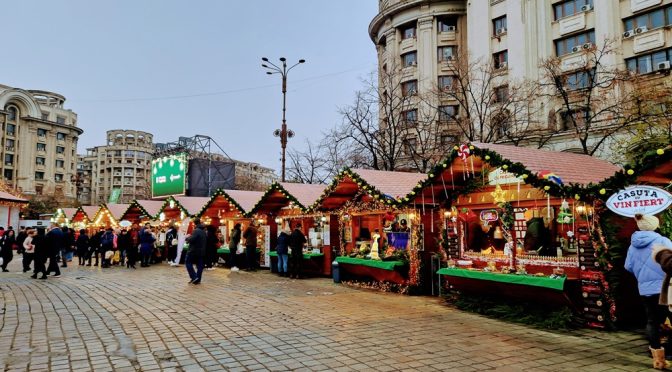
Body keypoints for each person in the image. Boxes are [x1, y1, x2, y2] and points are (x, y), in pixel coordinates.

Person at [625, 214, 672, 370]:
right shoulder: (663, 241)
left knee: (652, 321)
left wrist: (643, 275)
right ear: (655, 224)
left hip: (645, 289)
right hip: (666, 288)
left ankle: (658, 361)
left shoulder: (633, 245)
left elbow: (628, 266)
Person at [185, 219, 207, 284]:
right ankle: (198, 279)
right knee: (200, 265)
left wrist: (187, 238)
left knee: (188, 262)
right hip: (201, 251)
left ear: (194, 223)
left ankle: (194, 277)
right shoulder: (204, 231)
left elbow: (192, 239)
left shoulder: (196, 231)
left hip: (193, 251)